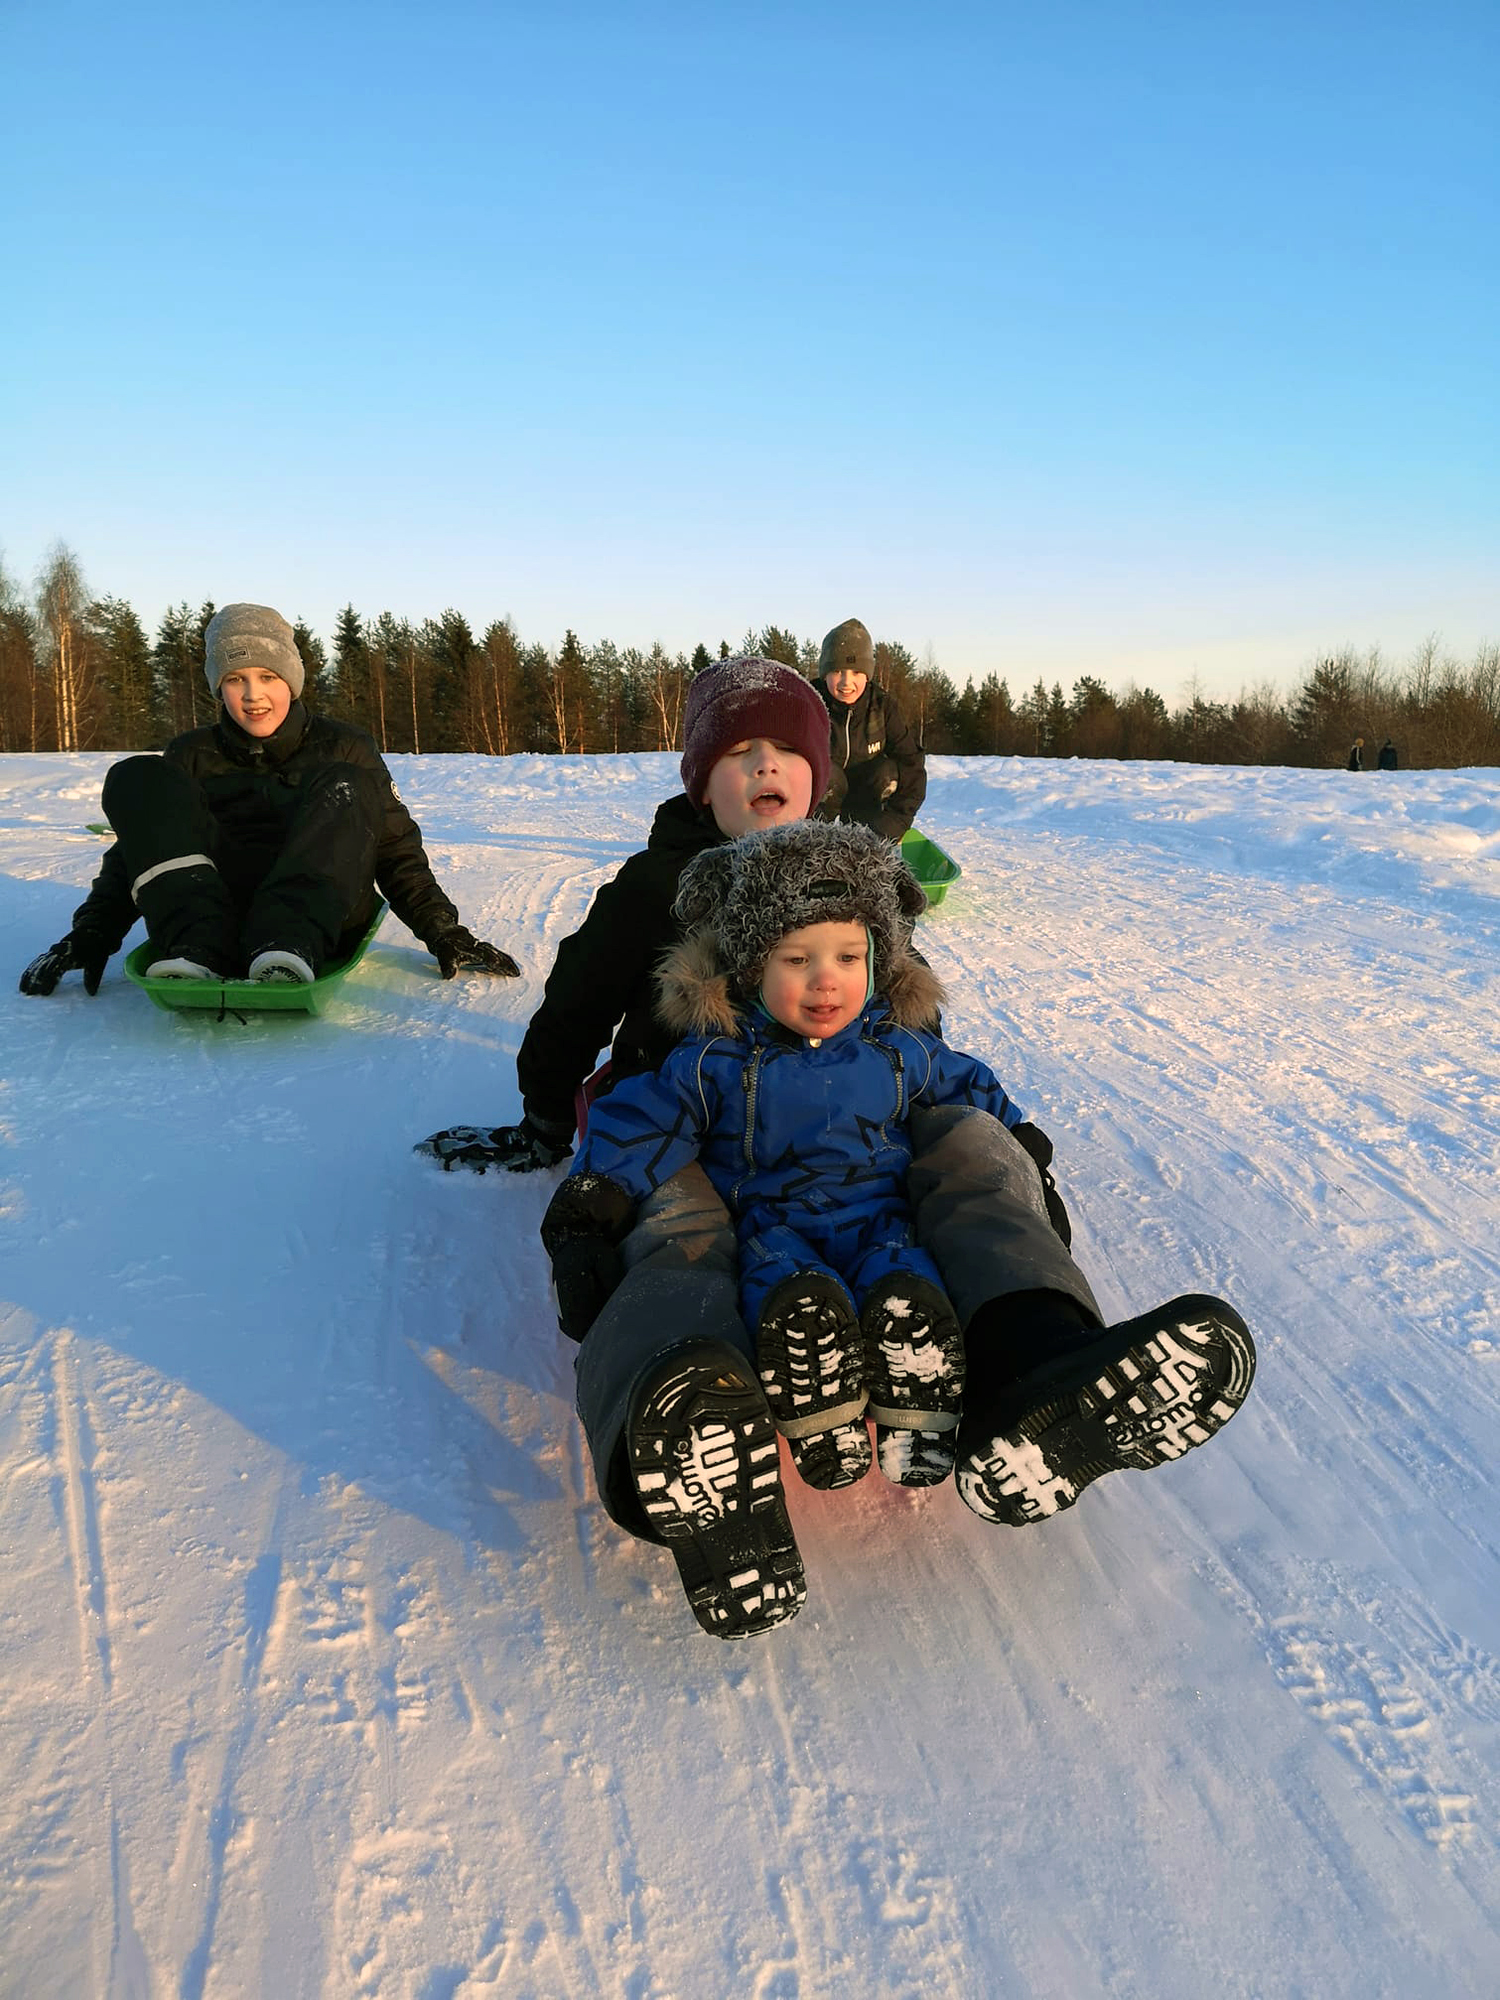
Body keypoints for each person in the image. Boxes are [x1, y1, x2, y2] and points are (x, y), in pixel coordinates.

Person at [540, 820, 1257, 1642]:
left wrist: (1024, 1155)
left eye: (848, 958)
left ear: (879, 963)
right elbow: (639, 1122)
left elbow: (969, 1087)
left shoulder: (899, 1049)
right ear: (747, 968)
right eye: (795, 959)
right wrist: (588, 1208)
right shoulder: (713, 1061)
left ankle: (1019, 1386)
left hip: (881, 1223)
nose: (824, 981)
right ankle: (694, 1436)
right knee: (761, 1284)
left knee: (908, 1282)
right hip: (774, 1231)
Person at [19, 602, 519, 993]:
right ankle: (197, 946)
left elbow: (394, 850)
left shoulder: (342, 746)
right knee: (139, 778)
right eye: (236, 679)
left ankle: (286, 943)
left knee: (346, 781)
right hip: (218, 910)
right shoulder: (191, 754)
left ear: (293, 681)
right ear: (219, 688)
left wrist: (442, 930)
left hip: (322, 912)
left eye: (268, 677)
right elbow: (138, 849)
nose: (253, 695)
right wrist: (92, 933)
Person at [814, 616, 926, 840]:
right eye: (837, 671)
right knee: (826, 775)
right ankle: (815, 840)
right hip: (820, 801)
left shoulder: (882, 706)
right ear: (825, 672)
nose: (847, 682)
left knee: (887, 773)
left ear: (868, 674)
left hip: (866, 800)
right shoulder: (810, 702)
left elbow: (911, 764)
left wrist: (895, 823)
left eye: (856, 672)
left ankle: (868, 841)